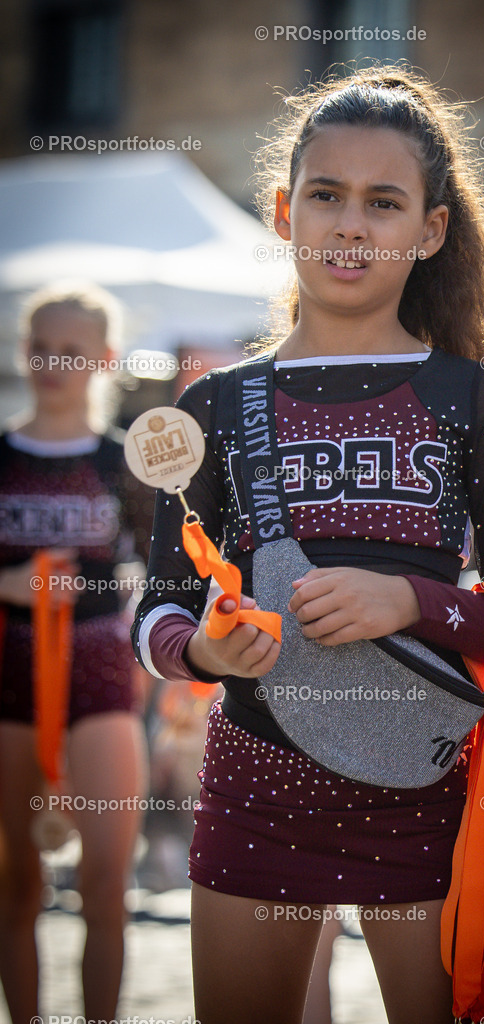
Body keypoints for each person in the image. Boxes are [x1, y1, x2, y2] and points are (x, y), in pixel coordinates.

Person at [132, 66, 484, 1024]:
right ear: (285, 213)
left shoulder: (467, 399)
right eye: (325, 196)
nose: (350, 225)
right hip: (255, 778)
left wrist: (413, 603)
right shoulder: (211, 408)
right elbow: (157, 606)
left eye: (383, 202)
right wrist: (202, 648)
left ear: (430, 229)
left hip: (427, 783)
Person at [0, 282, 151, 1023]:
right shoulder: (0, 454)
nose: (52, 363)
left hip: (100, 673)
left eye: (71, 350)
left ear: (104, 360)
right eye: (40, 347)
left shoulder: (126, 462)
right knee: (15, 886)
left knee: (105, 888)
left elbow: (174, 575)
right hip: (8, 676)